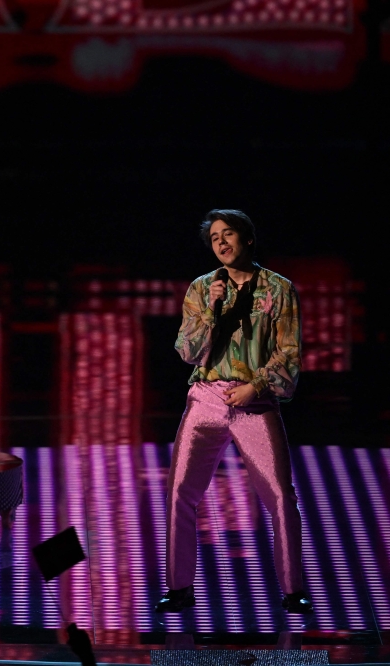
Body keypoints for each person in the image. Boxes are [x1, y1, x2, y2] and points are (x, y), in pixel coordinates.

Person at [155, 209, 312, 614]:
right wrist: (210, 310)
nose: (221, 243)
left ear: (248, 238)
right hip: (206, 397)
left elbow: (290, 353)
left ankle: (293, 590)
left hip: (255, 402)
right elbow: (186, 352)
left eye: (229, 235)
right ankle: (178, 589)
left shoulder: (279, 289)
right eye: (214, 239)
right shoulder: (202, 288)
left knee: (280, 496)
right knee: (180, 493)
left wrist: (255, 386)